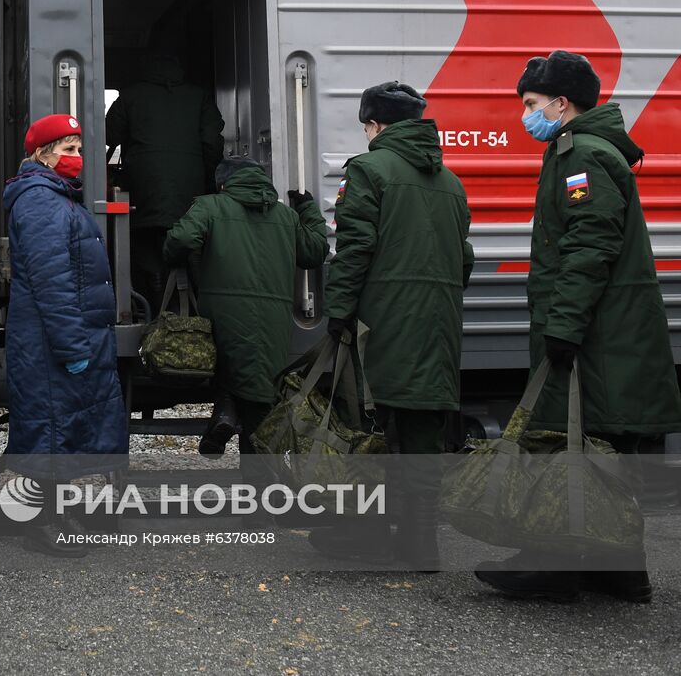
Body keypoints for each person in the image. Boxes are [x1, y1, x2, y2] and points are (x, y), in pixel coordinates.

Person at [475, 50, 681, 603]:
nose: (526, 115)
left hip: (596, 334)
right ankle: (620, 568)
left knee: (569, 441)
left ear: (561, 104)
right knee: (603, 446)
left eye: (532, 104)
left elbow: (589, 246)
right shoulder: (584, 150)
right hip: (609, 330)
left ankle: (556, 565)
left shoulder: (581, 155)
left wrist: (563, 326)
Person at [316, 81, 473, 568]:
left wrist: (339, 309)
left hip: (383, 317)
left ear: (375, 125)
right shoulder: (451, 182)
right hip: (439, 318)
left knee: (371, 421)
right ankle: (420, 540)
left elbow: (355, 248)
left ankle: (370, 533)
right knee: (424, 423)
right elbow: (463, 256)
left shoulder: (368, 170)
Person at [2, 114, 128, 556]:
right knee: (50, 430)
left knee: (59, 426)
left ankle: (58, 517)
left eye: (78, 150)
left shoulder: (53, 197)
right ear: (43, 154)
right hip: (49, 340)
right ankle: (40, 526)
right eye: (69, 150)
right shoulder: (41, 201)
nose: (78, 159)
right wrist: (72, 345)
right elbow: (53, 281)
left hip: (54, 336)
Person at [163, 156, 329, 466]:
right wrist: (307, 209)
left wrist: (176, 256)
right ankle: (261, 499)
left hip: (222, 313)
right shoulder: (286, 216)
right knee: (260, 394)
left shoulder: (210, 206)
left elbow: (182, 239)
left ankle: (226, 416)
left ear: (223, 185)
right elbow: (315, 251)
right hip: (275, 319)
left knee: (229, 370)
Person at [105, 53, 224, 311]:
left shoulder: (130, 96)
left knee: (147, 251)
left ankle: (153, 304)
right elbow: (212, 143)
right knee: (191, 252)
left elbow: (109, 134)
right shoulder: (199, 96)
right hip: (190, 195)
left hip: (143, 191)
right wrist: (209, 183)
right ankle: (191, 314)